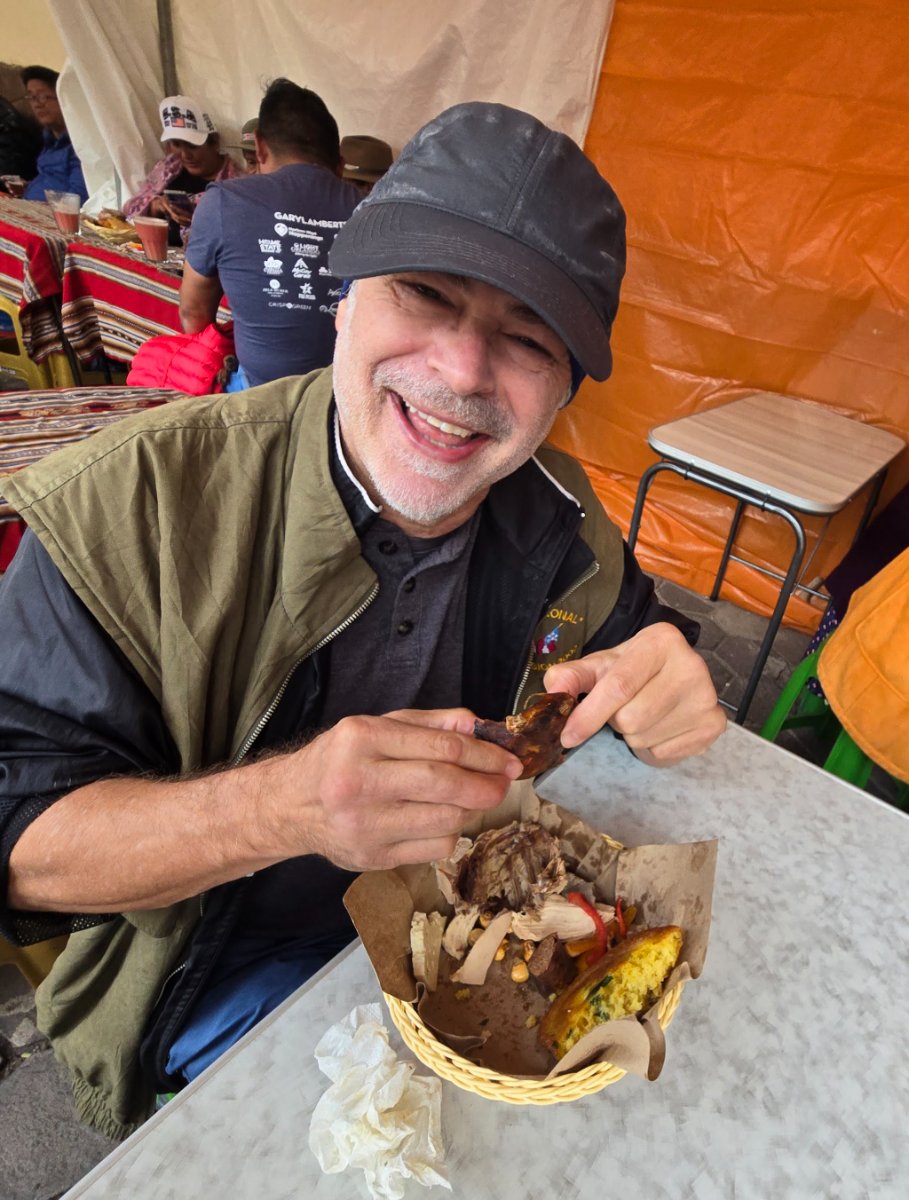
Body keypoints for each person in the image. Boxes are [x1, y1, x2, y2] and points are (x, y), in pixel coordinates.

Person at [0, 101, 725, 1139]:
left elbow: (634, 643)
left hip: (479, 932)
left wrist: (669, 674)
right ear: (342, 299)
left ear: (563, 391)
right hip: (220, 972)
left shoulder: (562, 523)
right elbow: (20, 840)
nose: (463, 372)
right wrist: (283, 809)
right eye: (424, 292)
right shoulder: (132, 506)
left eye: (527, 338)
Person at [179, 78, 360, 388]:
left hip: (258, 396)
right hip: (345, 394)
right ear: (339, 164)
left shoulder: (224, 202)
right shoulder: (373, 210)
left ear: (260, 147)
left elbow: (193, 313)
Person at [124, 95, 239, 244]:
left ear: (214, 143)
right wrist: (155, 206)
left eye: (193, 146)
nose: (185, 155)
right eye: (177, 145)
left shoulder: (234, 185)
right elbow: (131, 213)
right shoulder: (168, 169)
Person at [20, 66, 87, 203]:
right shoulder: (50, 139)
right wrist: (29, 187)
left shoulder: (79, 146)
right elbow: (51, 180)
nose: (37, 105)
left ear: (64, 99)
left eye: (43, 97)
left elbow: (76, 200)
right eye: (32, 97)